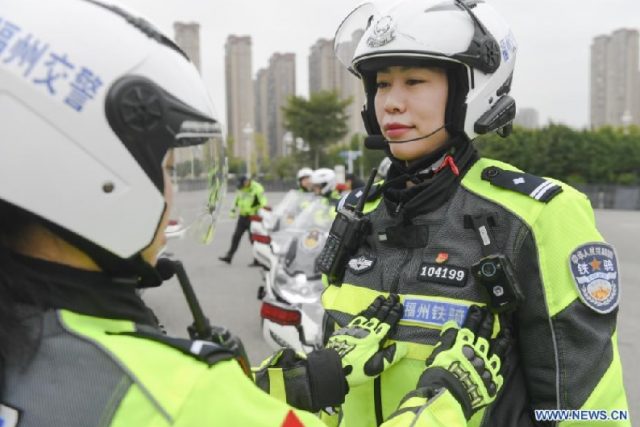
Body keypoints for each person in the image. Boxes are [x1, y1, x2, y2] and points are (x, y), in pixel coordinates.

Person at [0, 1, 511, 426]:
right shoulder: (177, 395)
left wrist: (310, 376)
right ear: (88, 171)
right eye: (169, 168)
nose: (172, 192)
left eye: (414, 82)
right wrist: (443, 402)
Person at [322, 0, 631, 426]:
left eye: (413, 81)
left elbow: (586, 404)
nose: (390, 102)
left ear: (470, 90)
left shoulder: (534, 217)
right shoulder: (357, 213)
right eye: (380, 84)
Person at [218, 175, 267, 265]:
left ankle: (258, 260)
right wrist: (232, 211)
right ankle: (229, 256)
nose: (242, 187)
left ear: (247, 181)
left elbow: (263, 200)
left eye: (243, 184)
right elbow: (236, 200)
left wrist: (263, 210)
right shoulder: (241, 188)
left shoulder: (257, 188)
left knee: (253, 239)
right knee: (236, 236)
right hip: (243, 216)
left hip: (253, 217)